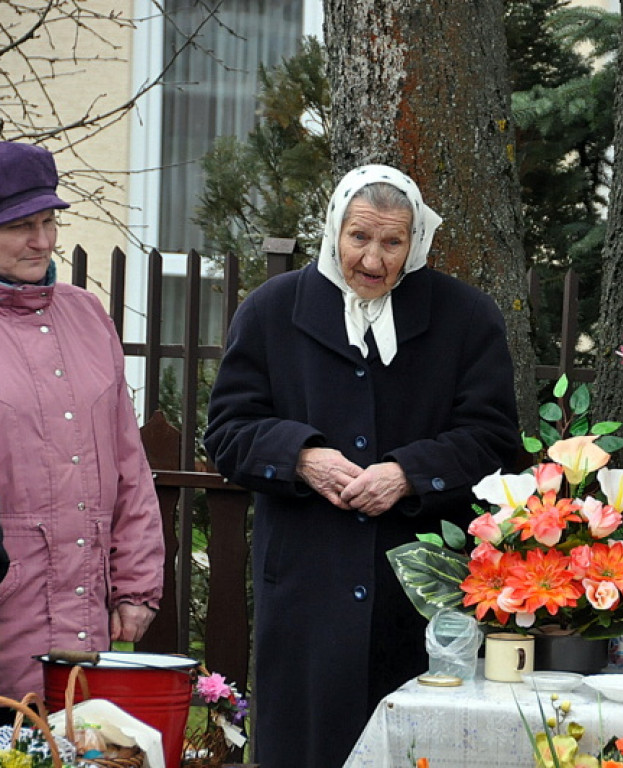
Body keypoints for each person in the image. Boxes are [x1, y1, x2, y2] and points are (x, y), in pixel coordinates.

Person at [204, 164, 520, 766]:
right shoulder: (272, 310)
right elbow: (227, 432)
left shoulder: (466, 317)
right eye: (359, 237)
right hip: (306, 593)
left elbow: (494, 441)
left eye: (392, 242)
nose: (373, 259)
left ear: (416, 243)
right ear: (334, 230)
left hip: (420, 599)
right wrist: (301, 457)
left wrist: (409, 473)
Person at [0, 141, 164, 701]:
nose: (42, 241)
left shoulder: (88, 314)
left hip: (86, 617)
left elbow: (129, 465)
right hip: (11, 613)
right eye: (20, 226)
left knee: (83, 736)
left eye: (48, 221)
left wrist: (137, 586)